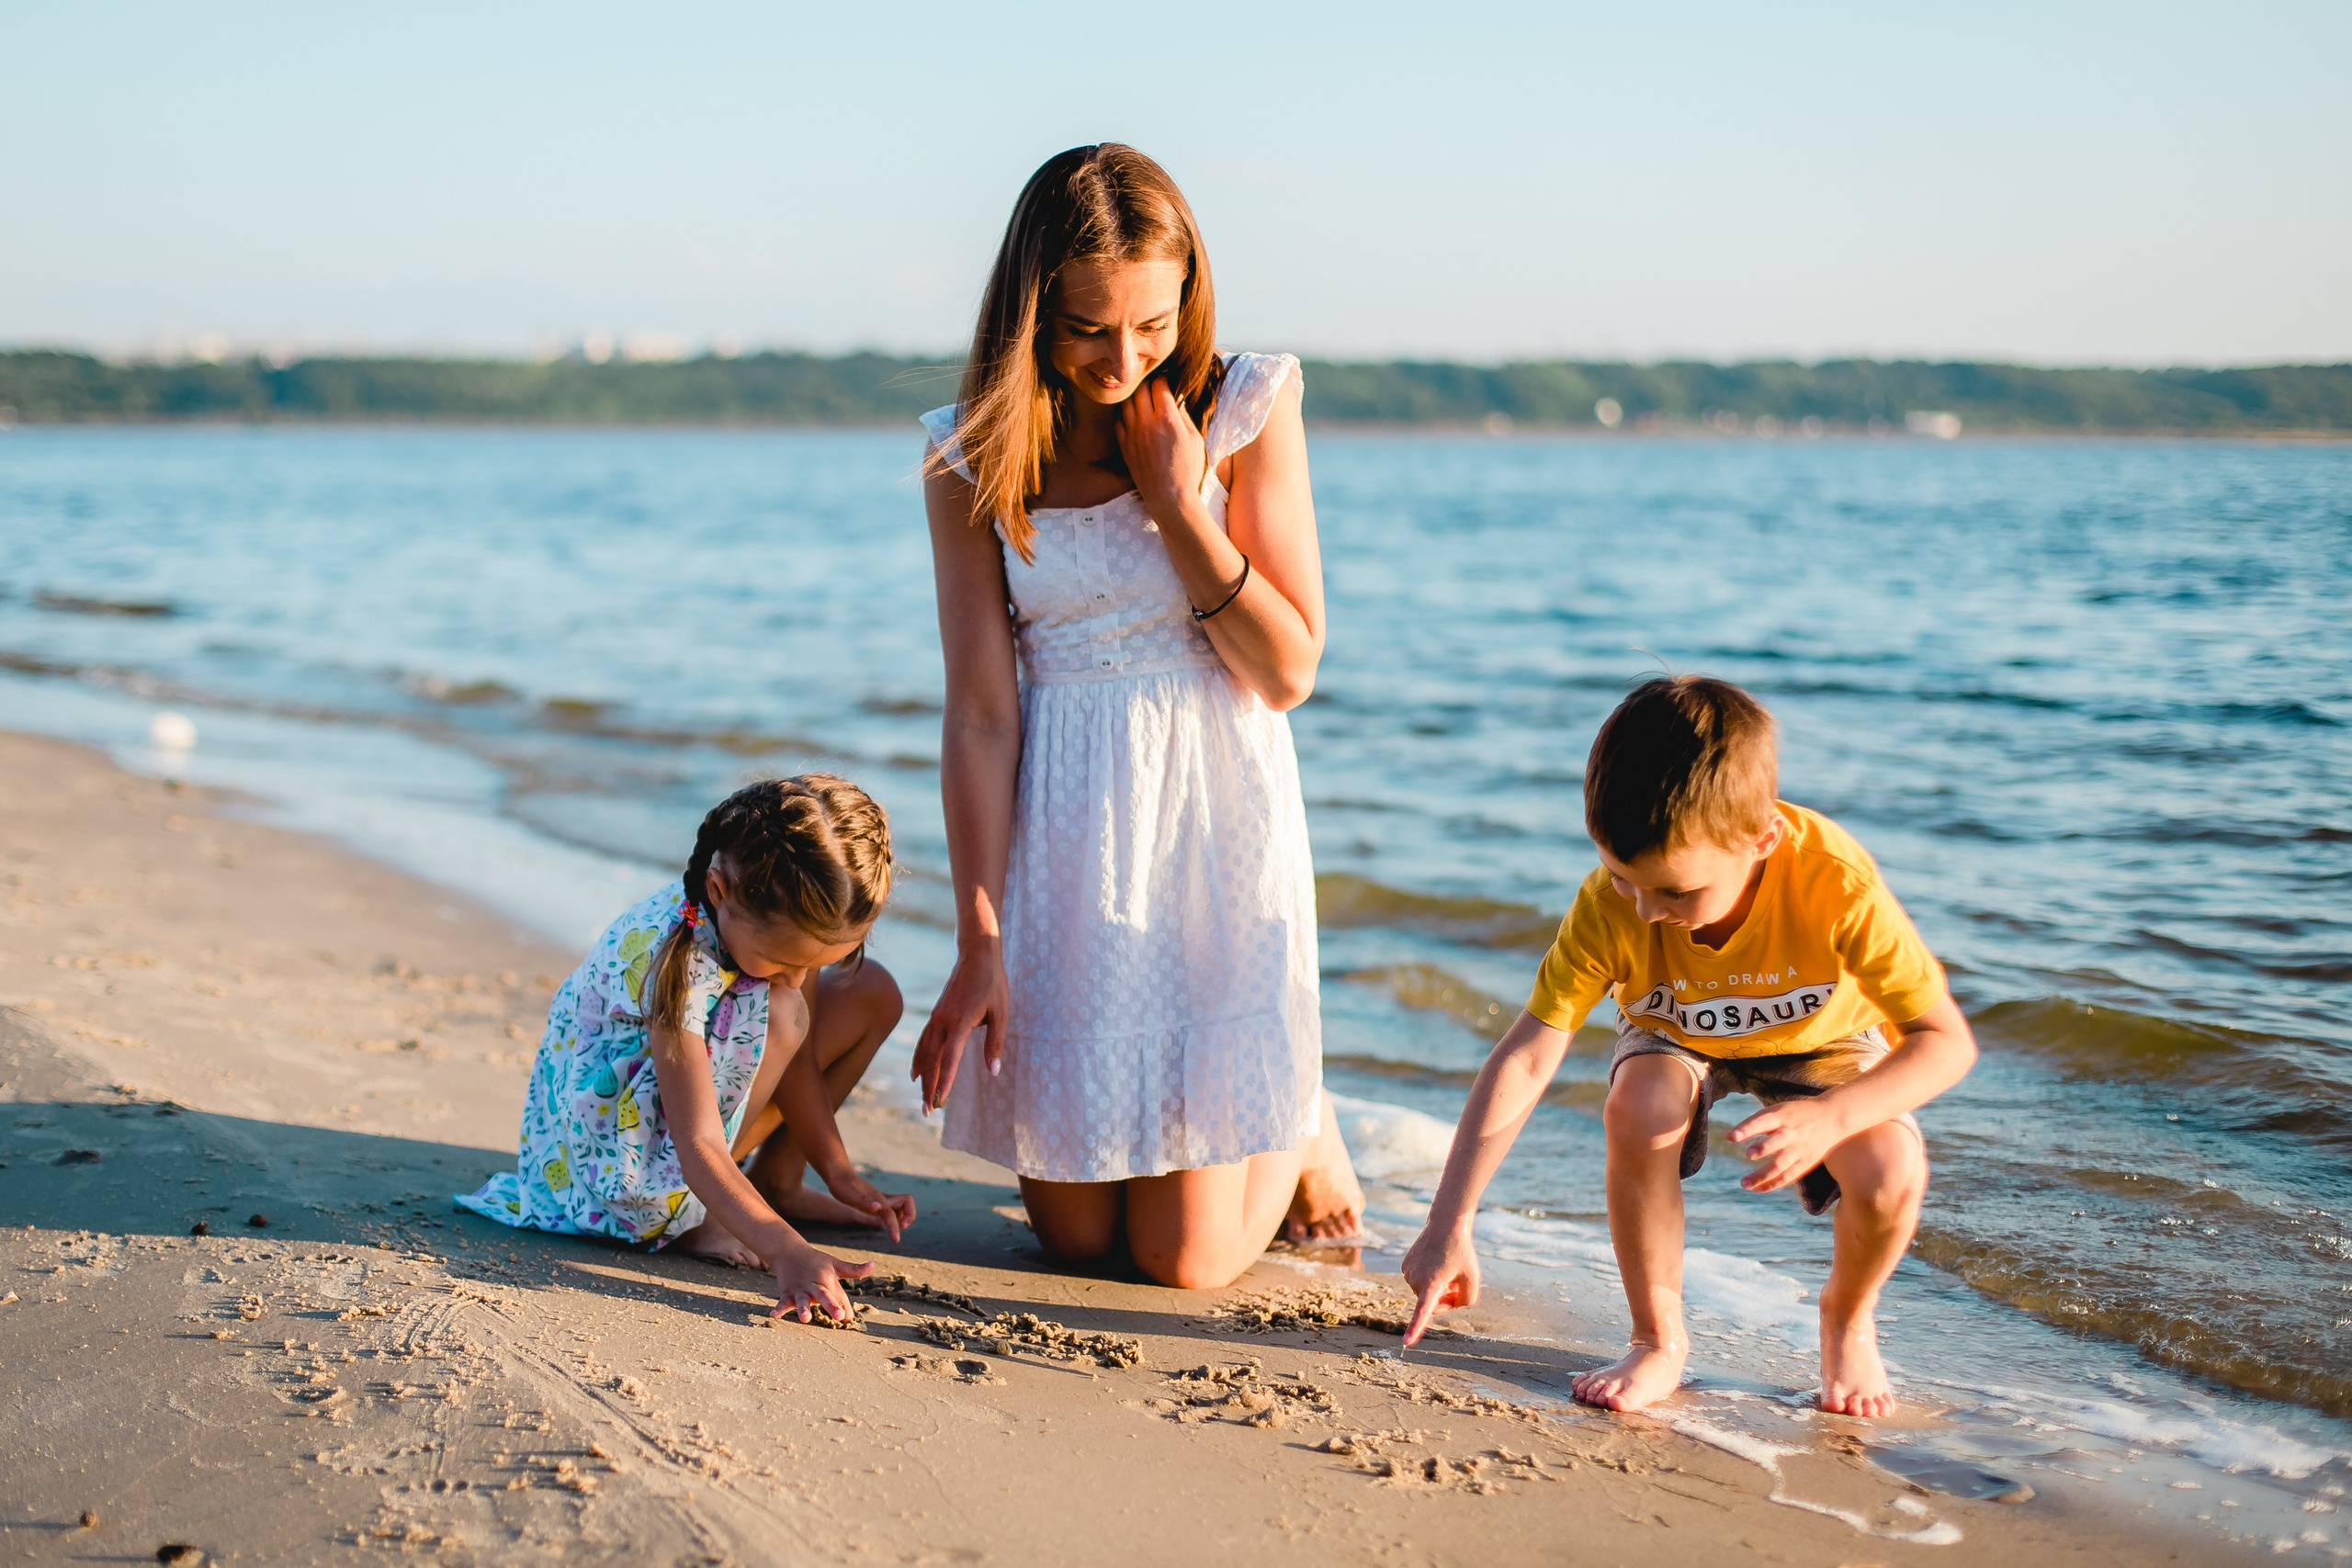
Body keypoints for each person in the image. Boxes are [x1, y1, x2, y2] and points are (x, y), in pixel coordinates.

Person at [911, 142, 1363, 1290]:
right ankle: (1275, 1117)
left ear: (1188, 297)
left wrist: (1176, 502)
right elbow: (979, 716)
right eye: (1087, 329)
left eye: (1152, 325)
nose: (1122, 360)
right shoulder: (970, 456)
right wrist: (979, 941)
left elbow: (1288, 669)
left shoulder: (1247, 406)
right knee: (1074, 1241)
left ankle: (1304, 1117)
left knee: (1181, 1261)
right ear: (1032, 316)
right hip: (1066, 839)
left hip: (1212, 821)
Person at [1399, 677, 1976, 1416]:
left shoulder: (1835, 884)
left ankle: (1847, 1319)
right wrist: (1449, 1220)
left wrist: (1832, 1117)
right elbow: (1528, 1054)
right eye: (1622, 877)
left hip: (1823, 1034)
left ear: (1762, 840)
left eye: (1675, 892)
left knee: (1892, 1169)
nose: (1645, 910)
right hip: (1676, 1024)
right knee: (1640, 1106)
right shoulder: (1611, 907)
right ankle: (1656, 1338)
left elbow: (1945, 1043)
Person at [458, 774, 912, 1323]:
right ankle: (692, 1220)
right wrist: (785, 1250)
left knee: (870, 992)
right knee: (781, 1011)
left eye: (815, 962)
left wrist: (837, 1171)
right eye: (785, 960)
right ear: (719, 892)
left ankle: (777, 1183)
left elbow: (800, 1060)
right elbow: (698, 1142)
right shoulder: (677, 960)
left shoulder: (774, 914)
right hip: (617, 1176)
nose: (798, 976)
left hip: (670, 1128)